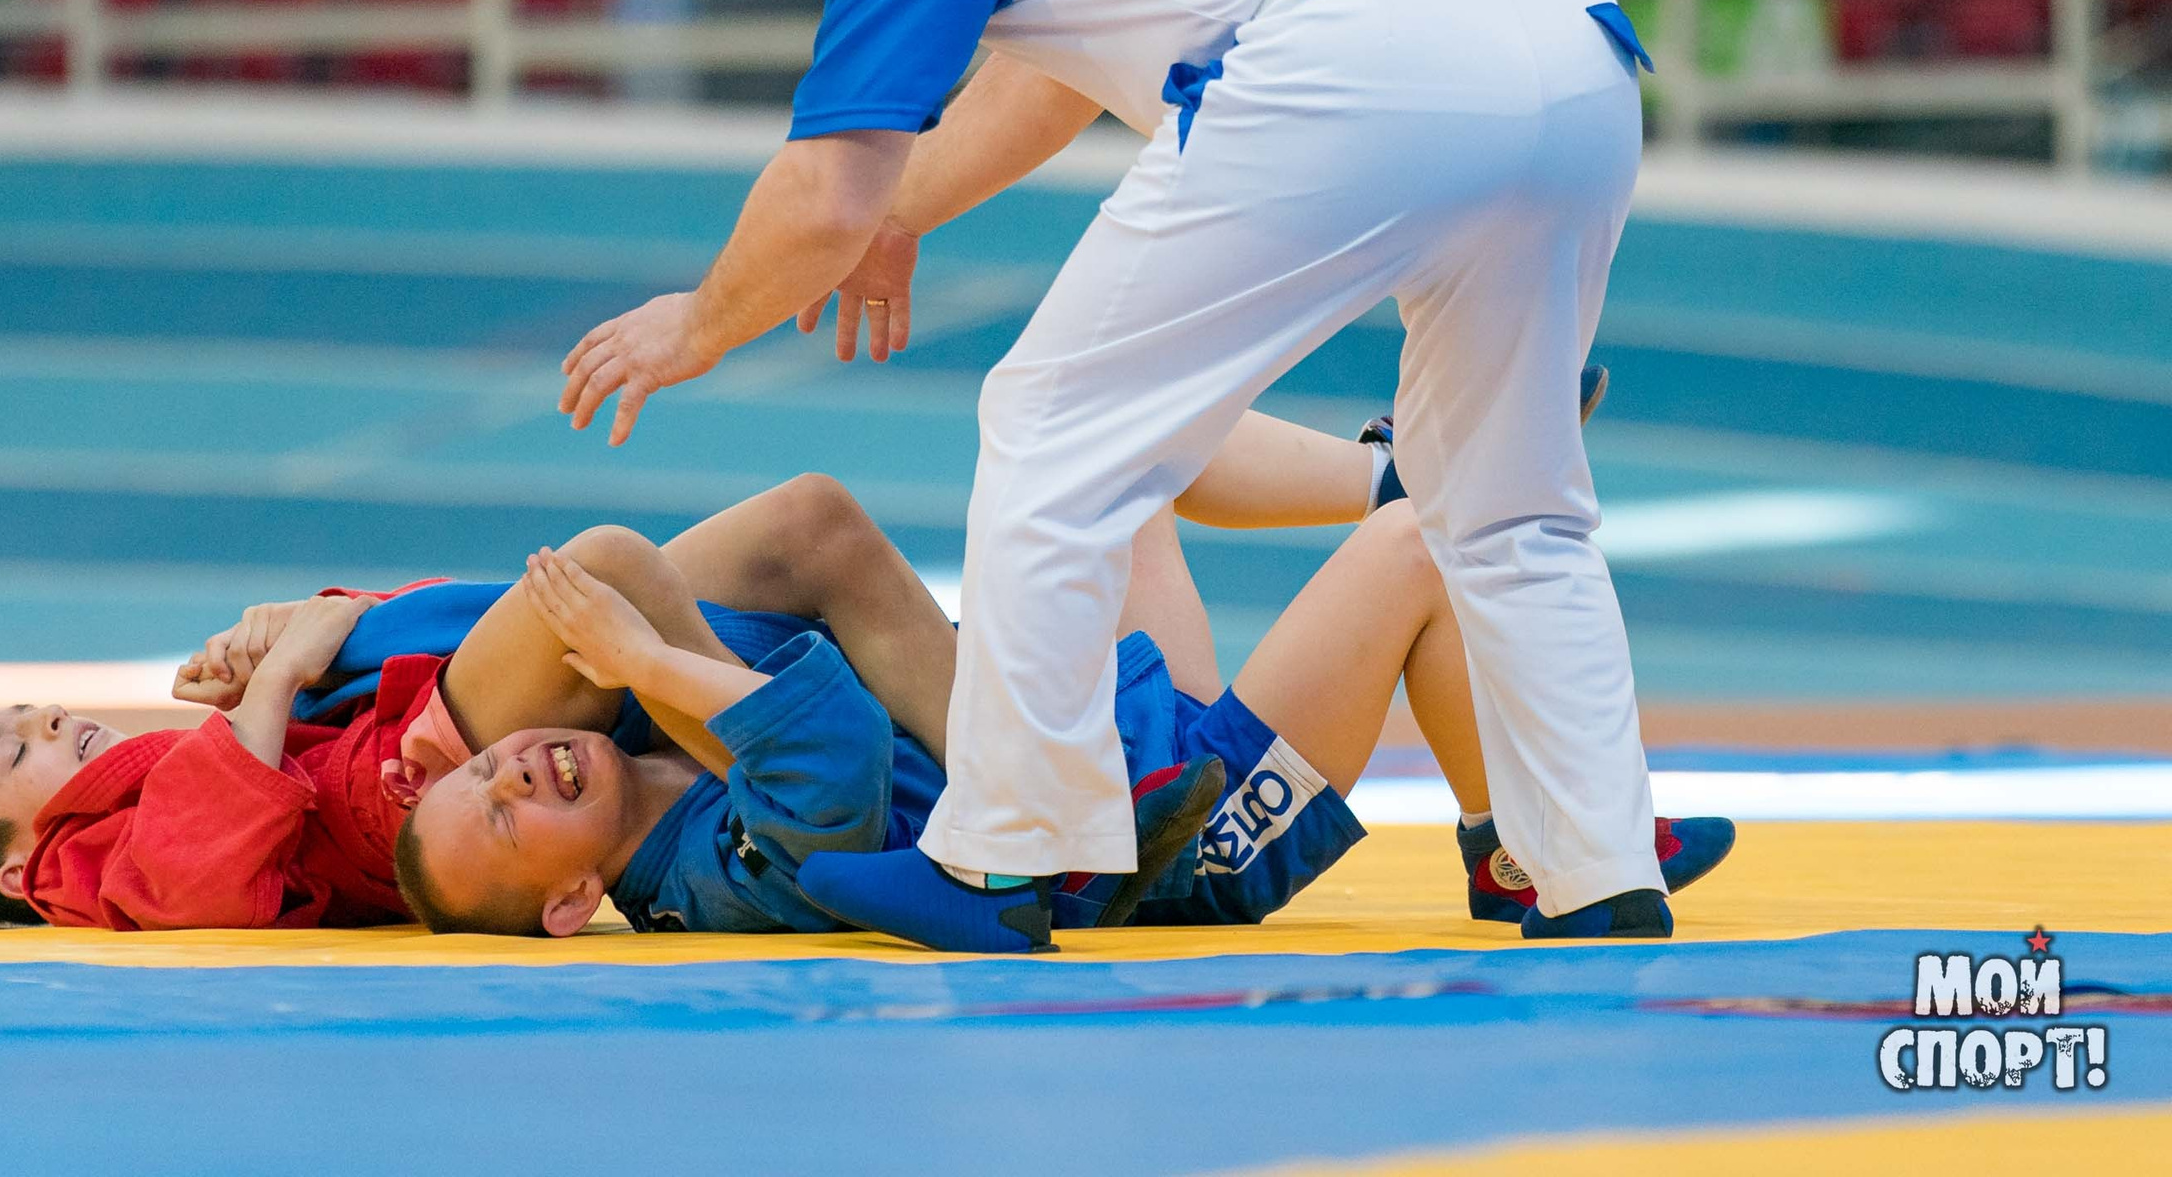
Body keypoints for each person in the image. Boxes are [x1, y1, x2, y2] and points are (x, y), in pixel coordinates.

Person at [557, 0, 1668, 947]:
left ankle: (1001, 860)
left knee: (1051, 425)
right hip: (1574, 44)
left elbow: (824, 191)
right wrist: (900, 211)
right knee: (1510, 505)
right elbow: (1051, 75)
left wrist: (697, 322)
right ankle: (1599, 873)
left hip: (1363, 52)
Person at [394, 493, 1733, 943]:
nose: (515, 773)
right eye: (505, 819)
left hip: (1115, 732)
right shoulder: (708, 882)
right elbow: (833, 753)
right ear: (569, 902)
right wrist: (646, 656)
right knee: (1422, 549)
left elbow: (806, 541)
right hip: (1172, 844)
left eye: (486, 771)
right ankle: (1523, 846)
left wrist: (327, 637)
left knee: (1125, 436)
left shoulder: (643, 719)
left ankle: (1399, 453)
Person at [0, 475, 960, 930]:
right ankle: (785, 773)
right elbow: (202, 871)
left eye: (30, 712)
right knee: (603, 570)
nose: (47, 724)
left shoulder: (138, 789)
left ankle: (1009, 791)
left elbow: (279, 747)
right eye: (15, 752)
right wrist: (281, 672)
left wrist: (287, 657)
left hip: (408, 726)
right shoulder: (84, 878)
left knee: (808, 524)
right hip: (420, 786)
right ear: (17, 864)